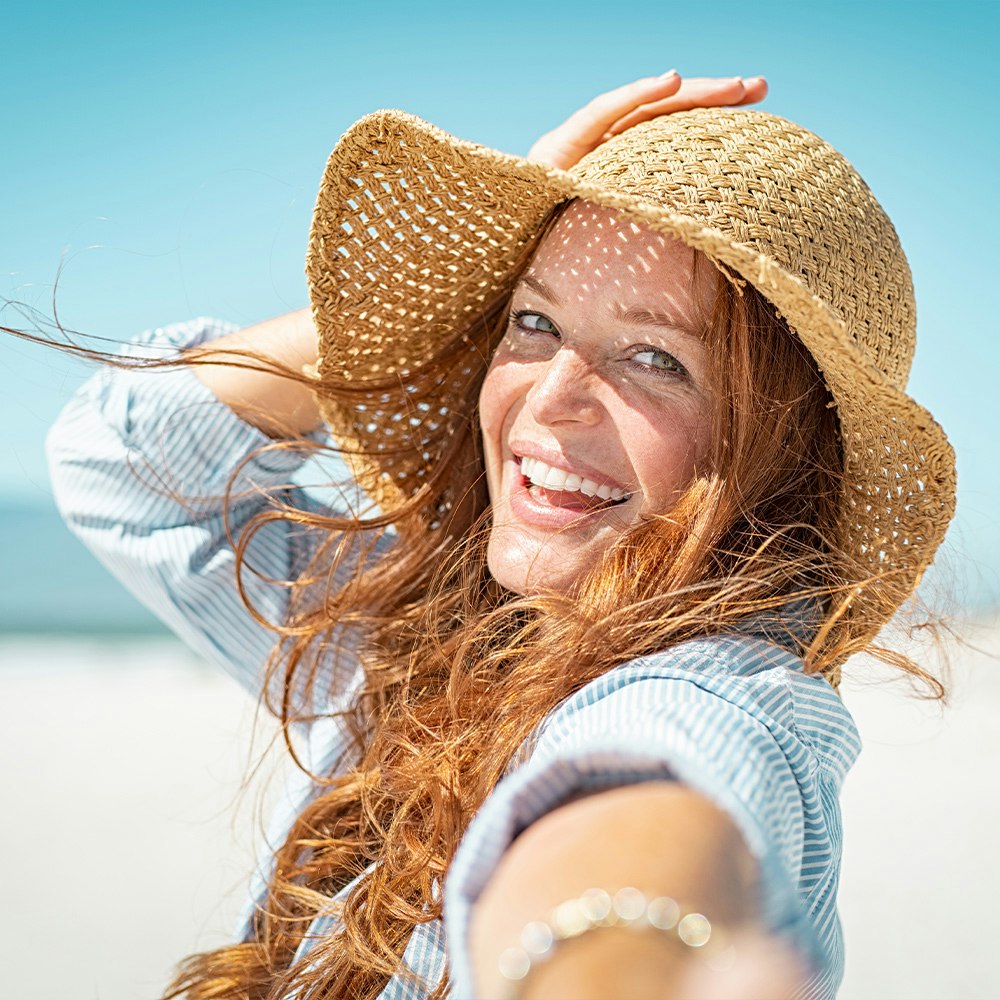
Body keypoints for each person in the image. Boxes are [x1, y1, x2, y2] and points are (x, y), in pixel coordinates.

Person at [41, 71, 954, 1000]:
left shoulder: (723, 692)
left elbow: (645, 803)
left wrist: (612, 956)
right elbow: (118, 463)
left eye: (655, 357)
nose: (549, 399)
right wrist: (456, 288)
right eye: (532, 320)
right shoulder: (412, 635)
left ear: (781, 448)